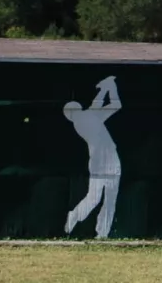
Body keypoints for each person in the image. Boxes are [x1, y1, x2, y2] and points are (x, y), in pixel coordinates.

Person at [63, 75, 122, 239]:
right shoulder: (83, 120)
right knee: (96, 198)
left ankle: (102, 232)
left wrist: (108, 87)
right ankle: (75, 215)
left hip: (110, 160)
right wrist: (105, 88)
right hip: (100, 162)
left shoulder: (92, 118)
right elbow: (97, 105)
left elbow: (113, 105)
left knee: (108, 199)